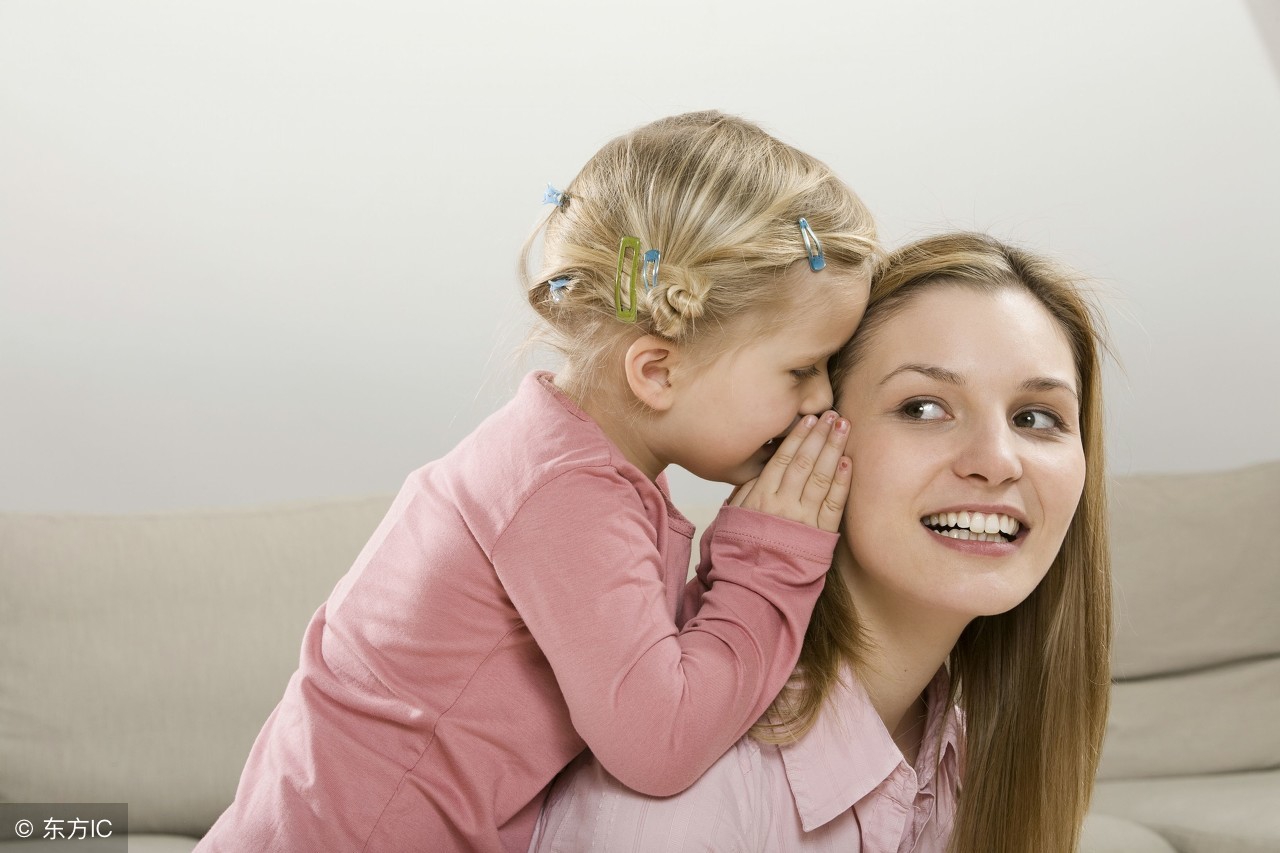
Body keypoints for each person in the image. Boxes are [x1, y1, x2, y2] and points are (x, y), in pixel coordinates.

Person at [195, 111, 878, 852]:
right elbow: (661, 741)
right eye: (802, 368)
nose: (821, 400)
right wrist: (769, 561)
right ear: (657, 370)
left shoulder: (573, 464)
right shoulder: (564, 493)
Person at [531, 231, 1113, 853]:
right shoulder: (698, 793)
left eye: (1036, 418)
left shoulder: (955, 753)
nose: (997, 462)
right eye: (922, 408)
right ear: (803, 435)